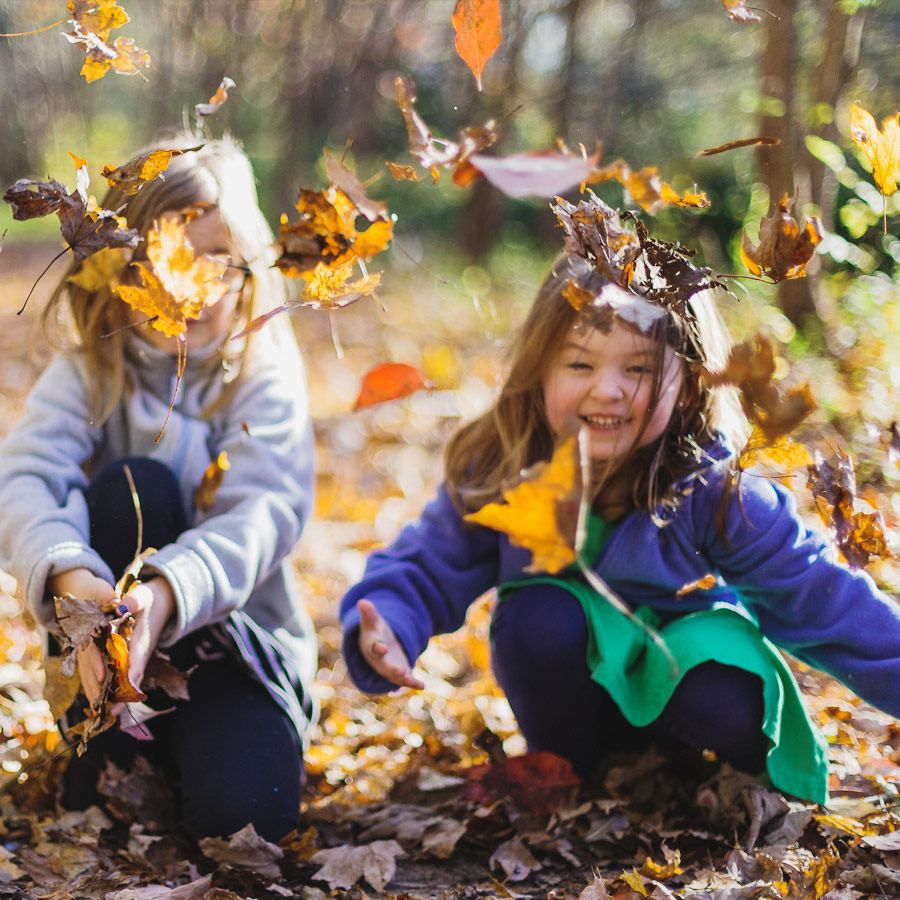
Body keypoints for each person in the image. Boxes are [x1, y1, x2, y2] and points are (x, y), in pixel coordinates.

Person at [340, 212, 900, 806]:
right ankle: (571, 773)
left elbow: (822, 598)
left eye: (639, 370)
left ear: (688, 384)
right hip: (576, 697)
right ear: (540, 368)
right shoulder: (507, 468)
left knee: (722, 685)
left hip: (691, 680)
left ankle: (710, 779)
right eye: (580, 363)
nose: (607, 389)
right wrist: (392, 624)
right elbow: (428, 563)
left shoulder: (714, 489)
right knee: (538, 616)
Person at [0, 137, 316, 841]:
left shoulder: (260, 378)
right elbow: (23, 476)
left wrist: (165, 597)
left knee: (248, 824)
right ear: (117, 270)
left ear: (247, 270)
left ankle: (208, 748)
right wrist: (73, 578)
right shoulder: (91, 374)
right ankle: (115, 740)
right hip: (106, 656)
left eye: (217, 259)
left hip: (234, 652)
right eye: (164, 259)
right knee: (132, 486)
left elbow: (264, 512)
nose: (193, 286)